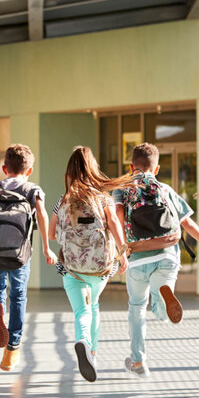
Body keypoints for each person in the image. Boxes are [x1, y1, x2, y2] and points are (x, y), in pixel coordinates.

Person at [115, 143, 199, 378]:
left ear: (131, 166)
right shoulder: (164, 189)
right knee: (160, 308)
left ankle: (138, 361)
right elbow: (187, 223)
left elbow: (117, 218)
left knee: (136, 307)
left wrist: (122, 250)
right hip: (167, 254)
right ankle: (164, 297)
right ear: (156, 168)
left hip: (137, 258)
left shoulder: (122, 189)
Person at [49, 146, 132, 383]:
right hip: (99, 267)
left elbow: (52, 234)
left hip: (71, 268)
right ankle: (92, 353)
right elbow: (114, 223)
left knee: (82, 310)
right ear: (92, 168)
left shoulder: (62, 200)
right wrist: (123, 252)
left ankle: (83, 341)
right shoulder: (103, 197)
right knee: (93, 305)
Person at [0, 144, 57, 371]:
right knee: (18, 296)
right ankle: (12, 349)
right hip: (19, 254)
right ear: (28, 170)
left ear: (3, 168)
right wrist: (47, 249)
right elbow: (42, 214)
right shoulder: (32, 190)